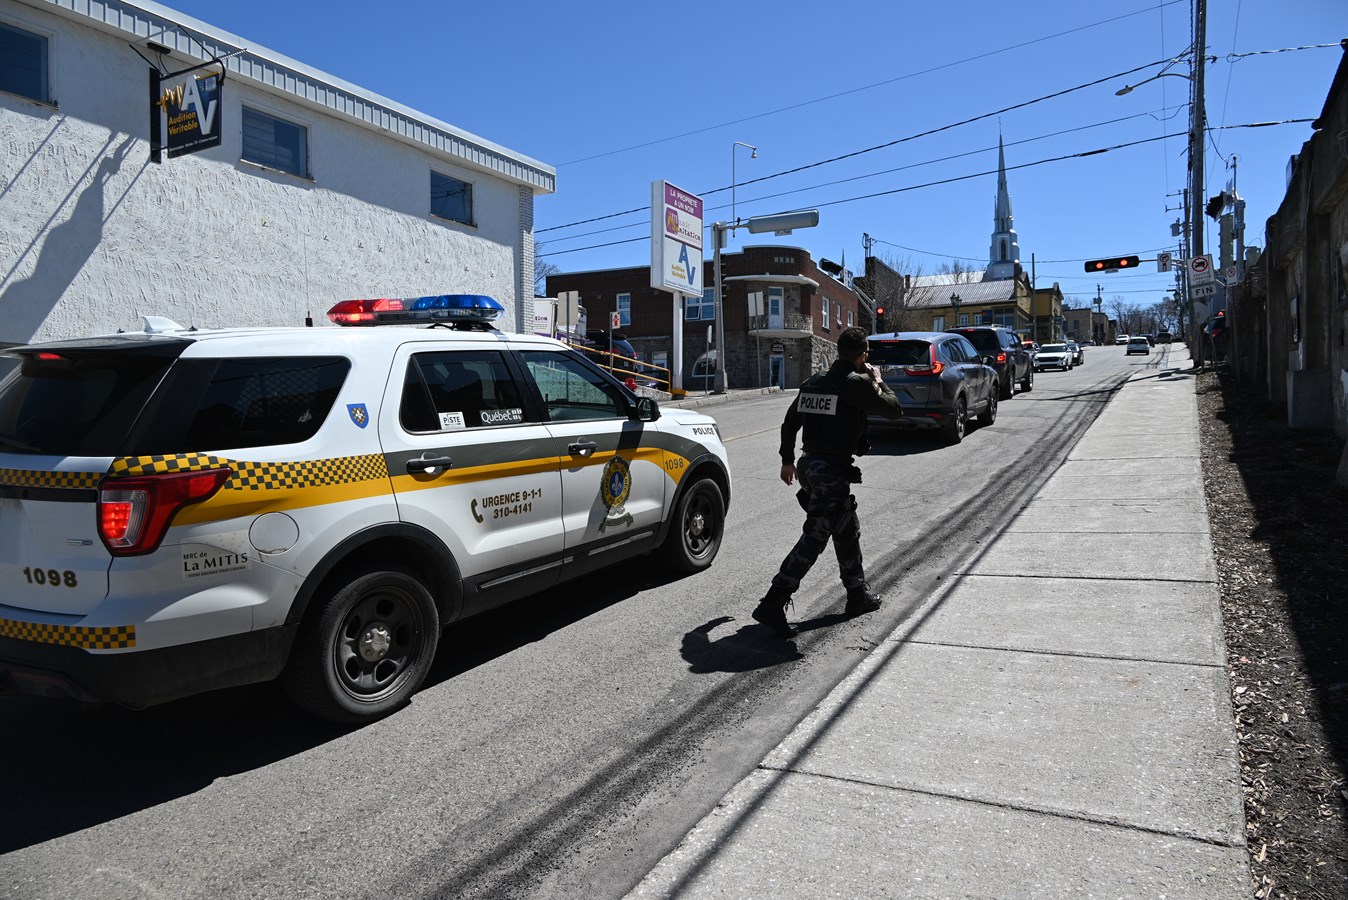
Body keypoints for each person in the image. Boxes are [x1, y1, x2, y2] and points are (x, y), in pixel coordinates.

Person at [752, 325, 904, 638]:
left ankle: (857, 595)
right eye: (866, 357)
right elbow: (894, 410)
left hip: (810, 466)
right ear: (863, 356)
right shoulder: (856, 382)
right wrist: (878, 382)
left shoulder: (814, 382)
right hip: (831, 471)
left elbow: (790, 423)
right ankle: (773, 601)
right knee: (816, 536)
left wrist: (787, 460)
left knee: (846, 529)